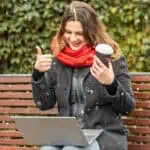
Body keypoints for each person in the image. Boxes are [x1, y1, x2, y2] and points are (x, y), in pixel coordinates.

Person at [32, 1, 135, 150]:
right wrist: (38, 74)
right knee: (47, 148)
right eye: (68, 32)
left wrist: (111, 83)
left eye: (79, 33)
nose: (73, 39)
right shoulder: (58, 61)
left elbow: (128, 107)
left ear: (91, 32)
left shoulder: (111, 60)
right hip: (67, 136)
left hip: (103, 136)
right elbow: (44, 104)